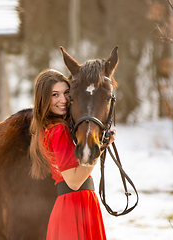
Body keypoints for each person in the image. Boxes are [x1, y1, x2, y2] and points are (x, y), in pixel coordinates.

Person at [29, 69, 116, 240]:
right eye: (55, 95)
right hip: (75, 206)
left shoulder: (51, 128)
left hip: (75, 205)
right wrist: (99, 148)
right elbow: (74, 181)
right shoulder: (58, 130)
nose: (62, 100)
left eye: (66, 93)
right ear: (43, 99)